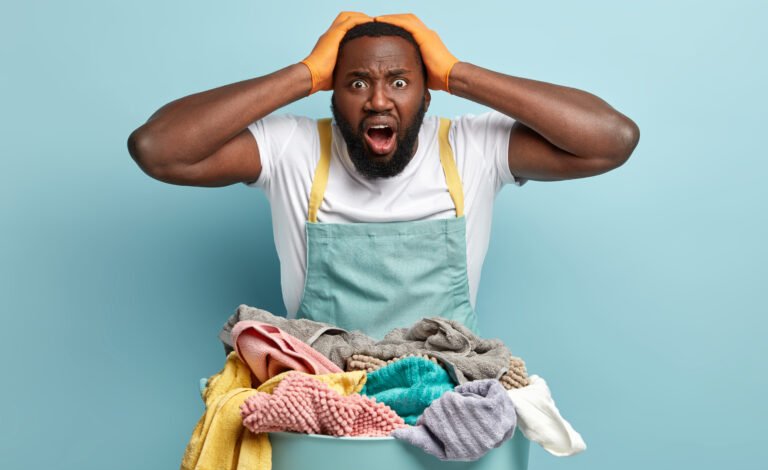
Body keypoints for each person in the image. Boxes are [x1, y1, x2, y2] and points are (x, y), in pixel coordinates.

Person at [128, 12, 639, 339]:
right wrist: (305, 71)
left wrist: (458, 71)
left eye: (399, 81)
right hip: (323, 403)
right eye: (355, 83)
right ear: (331, 95)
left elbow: (611, 140)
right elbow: (159, 150)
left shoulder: (470, 147)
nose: (378, 99)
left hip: (448, 398)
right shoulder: (292, 149)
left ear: (427, 94)